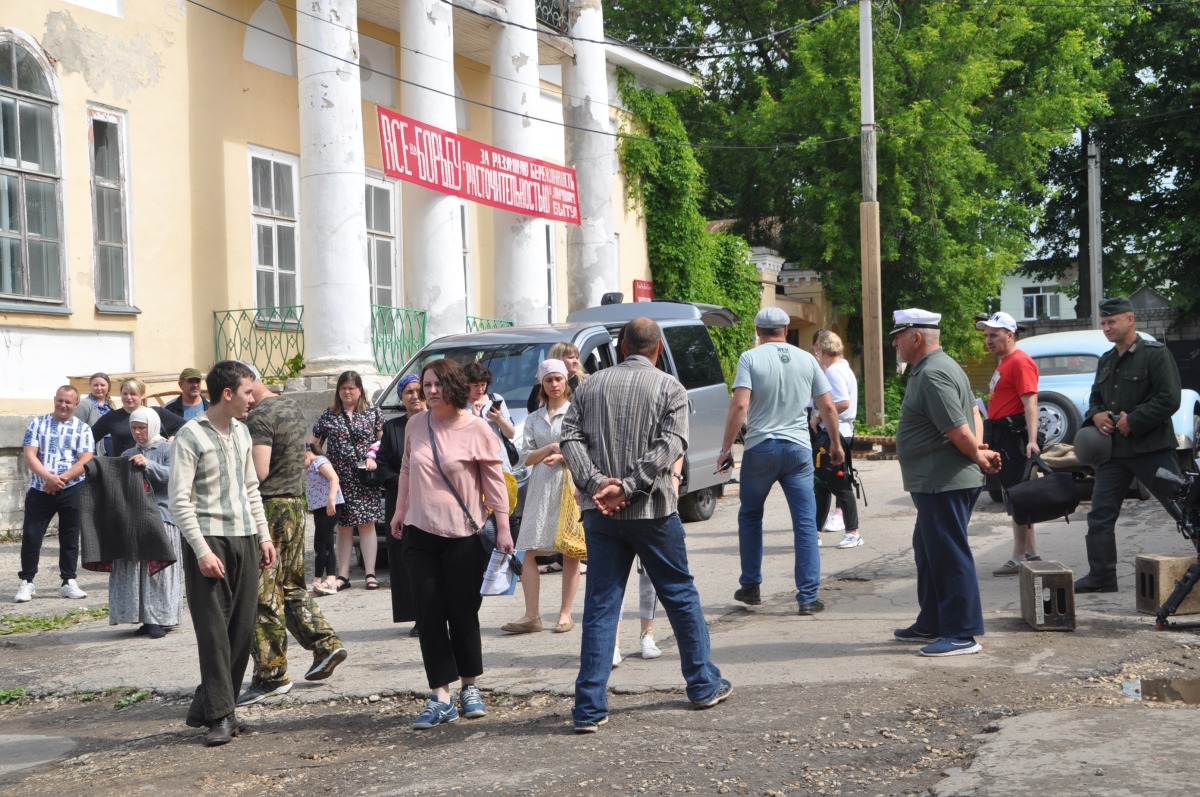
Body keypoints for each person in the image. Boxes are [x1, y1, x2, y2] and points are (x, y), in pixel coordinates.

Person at [561, 317, 732, 733]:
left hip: (600, 513)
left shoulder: (589, 386)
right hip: (652, 511)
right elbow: (669, 445)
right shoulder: (670, 387)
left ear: (621, 347)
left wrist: (598, 483)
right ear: (657, 349)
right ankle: (703, 685)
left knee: (602, 605)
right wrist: (630, 486)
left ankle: (589, 708)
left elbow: (569, 437)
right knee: (679, 596)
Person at [389, 358, 514, 730]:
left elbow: (495, 485)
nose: (430, 391)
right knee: (428, 614)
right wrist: (400, 511)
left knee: (462, 613)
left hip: (464, 535)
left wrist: (504, 529)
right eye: (426, 385)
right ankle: (440, 696)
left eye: (437, 384)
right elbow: (408, 469)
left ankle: (470, 687)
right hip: (418, 534)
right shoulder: (415, 424)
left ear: (453, 386)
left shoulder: (478, 429)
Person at [168, 360, 277, 746]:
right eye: (248, 392)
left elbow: (251, 489)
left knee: (241, 630)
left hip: (245, 537)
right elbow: (179, 501)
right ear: (227, 394)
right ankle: (220, 716)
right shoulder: (190, 435)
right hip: (209, 540)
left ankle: (212, 707)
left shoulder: (243, 433)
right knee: (214, 632)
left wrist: (263, 537)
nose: (253, 399)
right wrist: (200, 550)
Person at [716, 307, 844, 616]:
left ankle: (751, 586)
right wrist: (837, 444)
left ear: (758, 331)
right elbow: (827, 406)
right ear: (786, 331)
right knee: (804, 523)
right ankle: (807, 597)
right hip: (799, 450)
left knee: (750, 515)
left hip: (761, 448)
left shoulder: (750, 358)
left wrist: (725, 450)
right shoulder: (807, 360)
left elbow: (740, 405)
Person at [890, 309, 1001, 657]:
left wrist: (977, 454)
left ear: (916, 337)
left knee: (948, 553)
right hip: (937, 479)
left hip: (943, 479)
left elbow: (959, 427)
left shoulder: (934, 374)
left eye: (898, 335)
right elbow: (973, 413)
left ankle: (962, 633)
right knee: (928, 548)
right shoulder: (940, 367)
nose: (894, 342)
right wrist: (979, 450)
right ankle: (934, 620)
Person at [240, 368, 347, 707]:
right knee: (290, 587)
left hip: (267, 509)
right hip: (293, 506)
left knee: (264, 594)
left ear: (248, 383)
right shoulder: (289, 408)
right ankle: (325, 644)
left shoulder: (259, 416)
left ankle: (271, 675)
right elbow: (301, 457)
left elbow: (258, 472)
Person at [1074, 296, 1184, 593]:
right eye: (1104, 323)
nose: (1107, 327)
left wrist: (1133, 420)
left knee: (1183, 507)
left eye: (1112, 321)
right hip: (1114, 453)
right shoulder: (1106, 360)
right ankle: (1101, 576)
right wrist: (1095, 414)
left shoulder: (1155, 355)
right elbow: (1095, 398)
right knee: (1099, 515)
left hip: (1152, 450)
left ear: (1130, 319)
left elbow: (1170, 399)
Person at [502, 359, 583, 635]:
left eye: (559, 379)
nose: (554, 384)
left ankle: (565, 614)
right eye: (549, 380)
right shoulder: (535, 418)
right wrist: (550, 447)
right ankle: (532, 614)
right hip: (540, 485)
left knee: (569, 548)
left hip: (568, 482)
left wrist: (562, 455)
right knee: (528, 549)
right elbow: (526, 457)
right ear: (542, 384)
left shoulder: (576, 413)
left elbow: (586, 449)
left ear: (566, 382)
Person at [976, 312, 1044, 576]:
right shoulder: (1005, 361)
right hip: (1002, 433)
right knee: (1018, 495)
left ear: (1009, 335)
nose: (989, 340)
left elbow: (1031, 403)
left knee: (1017, 496)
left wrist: (1031, 440)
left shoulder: (1019, 361)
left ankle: (1018, 556)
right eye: (986, 336)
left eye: (994, 335)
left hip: (1014, 435)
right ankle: (1031, 553)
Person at [109, 408, 185, 638]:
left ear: (152, 426)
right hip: (134, 518)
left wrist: (148, 465)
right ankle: (143, 616)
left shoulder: (167, 449)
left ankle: (160, 618)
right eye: (134, 427)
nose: (138, 432)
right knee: (136, 570)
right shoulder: (128, 453)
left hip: (161, 517)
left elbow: (176, 476)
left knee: (158, 572)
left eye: (142, 427)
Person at [15, 386, 95, 603]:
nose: (63, 405)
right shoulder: (38, 423)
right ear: (54, 400)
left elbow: (86, 459)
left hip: (72, 489)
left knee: (69, 537)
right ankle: (27, 581)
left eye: (69, 402)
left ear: (76, 404)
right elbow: (30, 455)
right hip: (40, 489)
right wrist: (49, 478)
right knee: (32, 536)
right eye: (60, 400)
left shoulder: (83, 428)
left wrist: (61, 480)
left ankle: (68, 581)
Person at [311, 371, 385, 591]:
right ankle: (343, 575)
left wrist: (373, 457)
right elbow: (313, 444)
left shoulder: (373, 412)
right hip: (338, 480)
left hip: (365, 478)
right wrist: (322, 465)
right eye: (343, 388)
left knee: (367, 524)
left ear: (360, 390)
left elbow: (384, 442)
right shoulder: (329, 415)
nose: (347, 391)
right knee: (343, 526)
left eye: (351, 387)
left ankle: (370, 574)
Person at [377, 374, 425, 636]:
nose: (415, 396)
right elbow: (382, 463)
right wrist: (401, 480)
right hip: (400, 499)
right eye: (409, 392)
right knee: (405, 558)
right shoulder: (393, 427)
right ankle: (417, 615)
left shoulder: (435, 423)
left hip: (430, 498)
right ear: (402, 397)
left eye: (419, 391)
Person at [812, 330, 862, 550]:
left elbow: (841, 403)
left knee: (838, 483)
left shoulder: (833, 370)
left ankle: (852, 531)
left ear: (822, 350)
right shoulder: (845, 368)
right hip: (842, 430)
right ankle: (814, 532)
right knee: (821, 483)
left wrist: (819, 414)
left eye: (816, 351)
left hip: (835, 432)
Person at [90, 378, 186, 456]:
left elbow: (185, 425)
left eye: (133, 393)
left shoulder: (156, 412)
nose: (128, 397)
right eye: (125, 394)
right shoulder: (112, 417)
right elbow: (89, 437)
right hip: (124, 469)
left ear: (142, 395)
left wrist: (173, 438)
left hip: (154, 468)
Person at [465, 361, 518, 471]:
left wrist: (499, 419)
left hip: (499, 458)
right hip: (473, 460)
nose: (480, 389)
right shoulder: (459, 405)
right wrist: (476, 418)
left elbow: (511, 434)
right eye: (475, 385)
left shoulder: (495, 399)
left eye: (483, 384)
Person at [305, 445, 342, 596]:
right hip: (320, 508)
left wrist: (331, 500)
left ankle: (317, 580)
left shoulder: (320, 461)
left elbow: (334, 478)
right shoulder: (313, 465)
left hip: (329, 507)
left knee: (319, 544)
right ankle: (330, 580)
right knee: (327, 544)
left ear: (306, 454)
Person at [526, 341, 587, 413]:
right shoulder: (540, 386)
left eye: (577, 358)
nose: (576, 361)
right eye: (571, 357)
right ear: (558, 359)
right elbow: (531, 413)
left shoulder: (585, 383)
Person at [74, 372, 115, 455]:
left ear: (108, 387)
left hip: (112, 446)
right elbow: (76, 428)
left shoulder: (111, 405)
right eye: (95, 385)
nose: (99, 388)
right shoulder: (85, 404)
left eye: (102, 385)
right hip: (95, 448)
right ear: (90, 387)